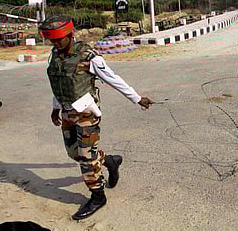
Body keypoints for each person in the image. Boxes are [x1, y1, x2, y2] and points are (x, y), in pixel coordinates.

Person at [40, 15, 154, 220]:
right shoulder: (56, 55)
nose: (55, 44)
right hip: (67, 113)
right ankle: (109, 161)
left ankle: (98, 196)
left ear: (70, 35)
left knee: (85, 157)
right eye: (52, 40)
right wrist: (55, 108)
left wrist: (137, 98)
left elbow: (113, 79)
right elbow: (59, 83)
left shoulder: (89, 57)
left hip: (86, 115)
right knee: (74, 153)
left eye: (59, 39)